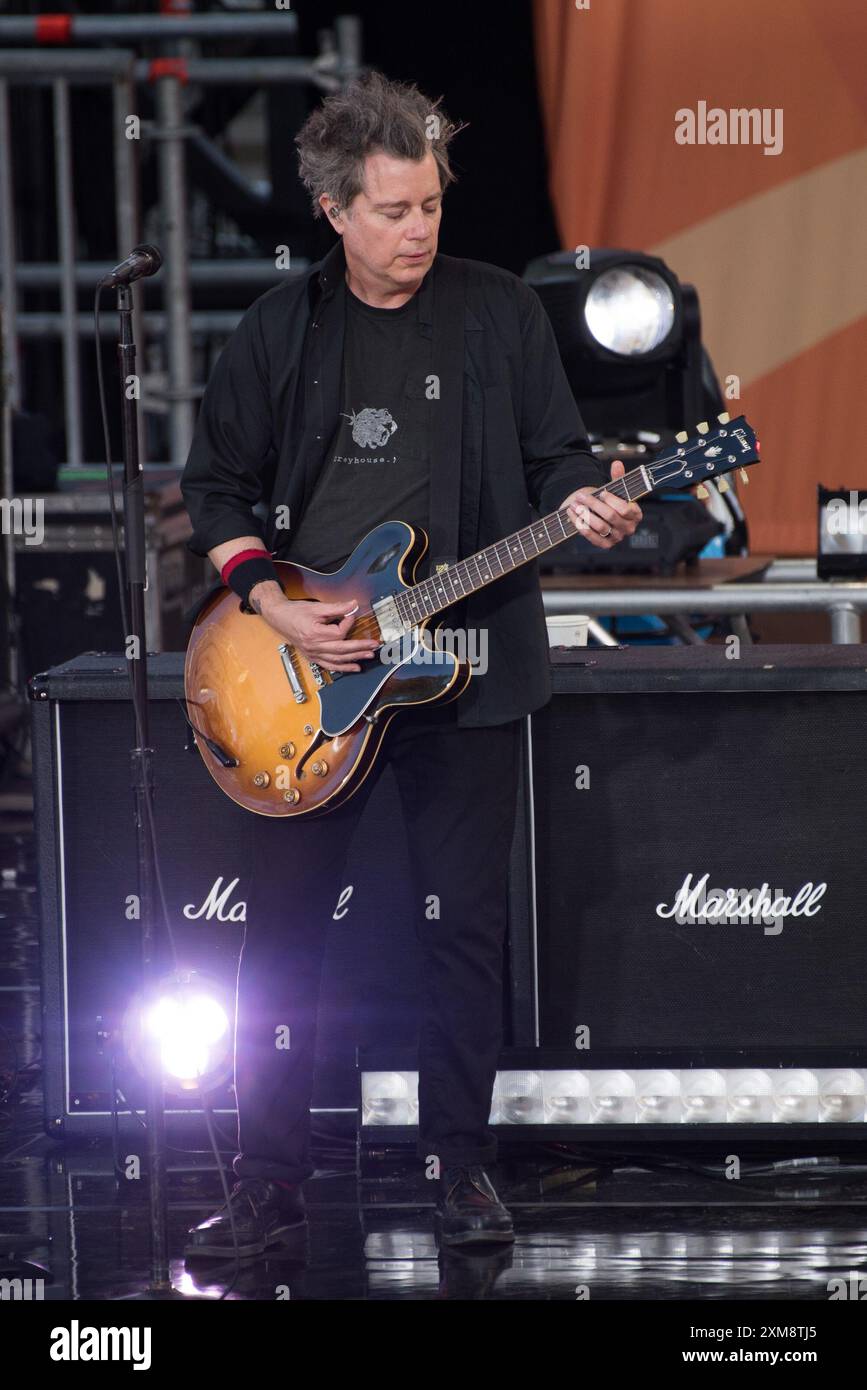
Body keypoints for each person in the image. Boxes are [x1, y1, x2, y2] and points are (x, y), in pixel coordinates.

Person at [180, 70, 641, 1258]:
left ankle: (462, 1168)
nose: (420, 230)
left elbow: (557, 460)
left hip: (466, 669)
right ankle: (270, 1181)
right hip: (306, 685)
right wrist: (273, 605)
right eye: (393, 211)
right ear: (334, 211)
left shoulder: (499, 313)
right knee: (280, 941)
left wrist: (585, 504)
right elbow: (215, 488)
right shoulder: (284, 328)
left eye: (431, 204)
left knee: (465, 932)